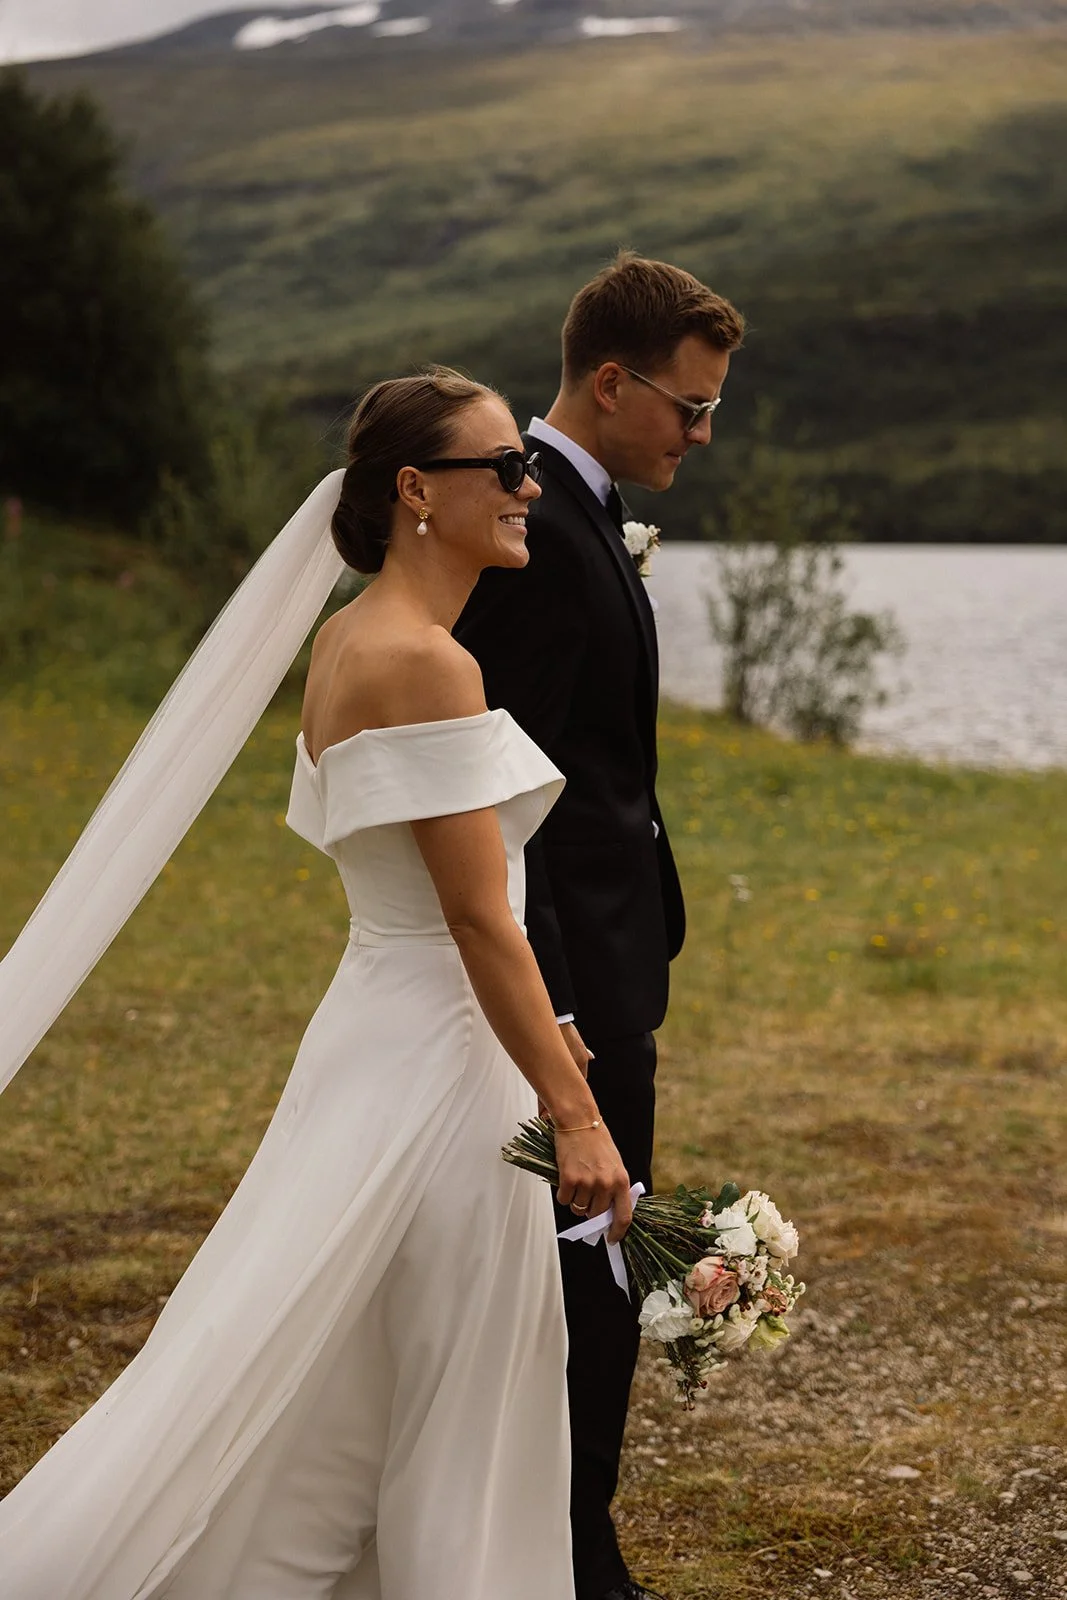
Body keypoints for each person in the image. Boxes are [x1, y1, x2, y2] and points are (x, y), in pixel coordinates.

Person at [0, 368, 635, 1599]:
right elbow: (474, 915)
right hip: (442, 1059)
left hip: (377, 1031)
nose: (528, 488)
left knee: (343, 1362)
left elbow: (427, 893)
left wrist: (542, 1038)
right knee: (457, 1375)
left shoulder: (345, 642)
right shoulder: (426, 662)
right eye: (505, 467)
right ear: (416, 491)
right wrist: (575, 1113)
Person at [456, 254, 746, 1600]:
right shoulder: (532, 531)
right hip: (566, 990)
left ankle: (565, 1539)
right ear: (613, 384)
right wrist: (558, 1020)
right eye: (691, 407)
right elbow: (499, 805)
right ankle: (576, 1558)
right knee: (587, 1279)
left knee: (590, 1272)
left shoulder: (578, 512)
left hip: (604, 966)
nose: (702, 434)